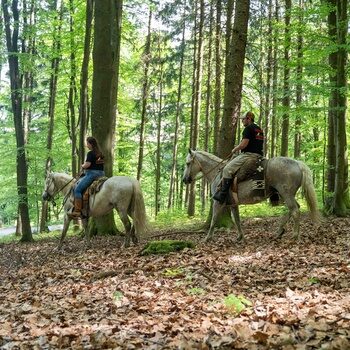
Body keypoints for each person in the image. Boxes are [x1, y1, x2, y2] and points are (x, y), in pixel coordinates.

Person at [213, 111, 264, 204]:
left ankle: (223, 195)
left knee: (227, 169)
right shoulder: (259, 129)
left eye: (243, 119)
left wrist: (235, 149)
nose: (242, 121)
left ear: (249, 119)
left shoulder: (248, 128)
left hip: (248, 155)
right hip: (259, 155)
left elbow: (244, 144)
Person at [70, 136, 105, 218]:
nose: (87, 146)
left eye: (88, 144)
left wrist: (82, 165)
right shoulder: (100, 153)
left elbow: (87, 165)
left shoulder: (90, 153)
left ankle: (77, 211)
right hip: (102, 174)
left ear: (91, 144)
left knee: (77, 189)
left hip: (92, 174)